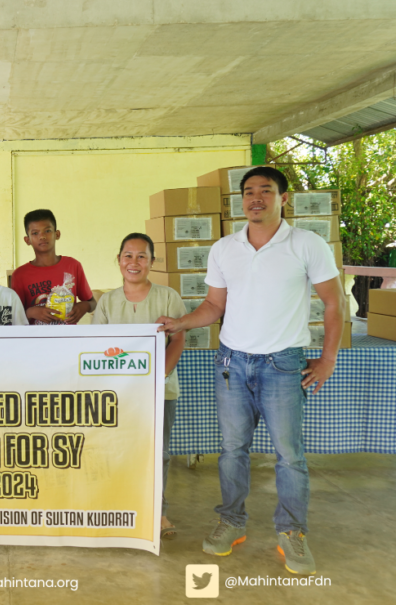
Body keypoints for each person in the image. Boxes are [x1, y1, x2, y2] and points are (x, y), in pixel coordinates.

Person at [157, 166, 344, 575]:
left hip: (282, 364)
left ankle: (292, 533)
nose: (255, 198)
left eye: (266, 190)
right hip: (231, 364)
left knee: (289, 455)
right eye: (248, 192)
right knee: (231, 452)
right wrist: (180, 323)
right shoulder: (225, 248)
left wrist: (328, 358)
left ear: (284, 198)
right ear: (240, 200)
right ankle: (231, 521)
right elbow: (214, 307)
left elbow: (334, 303)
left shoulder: (306, 244)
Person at [91, 233, 186, 539]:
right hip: (118, 394)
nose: (134, 262)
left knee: (158, 452)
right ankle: (118, 506)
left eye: (141, 256)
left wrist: (161, 376)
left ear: (152, 262)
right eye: (128, 256)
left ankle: (157, 511)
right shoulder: (107, 301)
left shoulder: (168, 297)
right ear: (119, 261)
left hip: (161, 391)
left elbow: (179, 338)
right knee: (117, 450)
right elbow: (99, 347)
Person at [10, 209, 96, 325]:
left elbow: (92, 303)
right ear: (27, 240)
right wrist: (30, 312)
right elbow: (14, 315)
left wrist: (83, 306)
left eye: (47, 231)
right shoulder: (20, 275)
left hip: (68, 339)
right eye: (35, 233)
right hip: (35, 340)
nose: (42, 237)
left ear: (57, 234)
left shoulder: (73, 265)